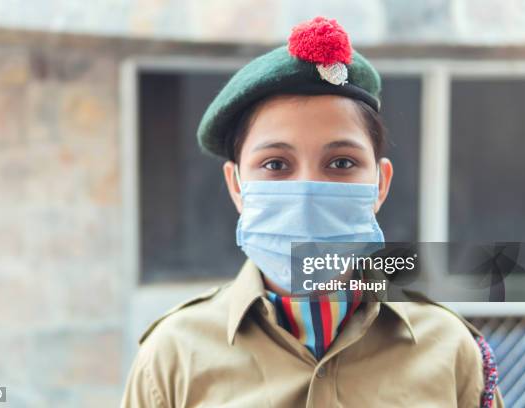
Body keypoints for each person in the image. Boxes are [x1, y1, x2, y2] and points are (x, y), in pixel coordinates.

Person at [120, 16, 503, 407]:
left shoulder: (450, 349)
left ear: (380, 184)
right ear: (237, 185)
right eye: (275, 165)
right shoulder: (172, 357)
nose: (305, 194)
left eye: (340, 163)